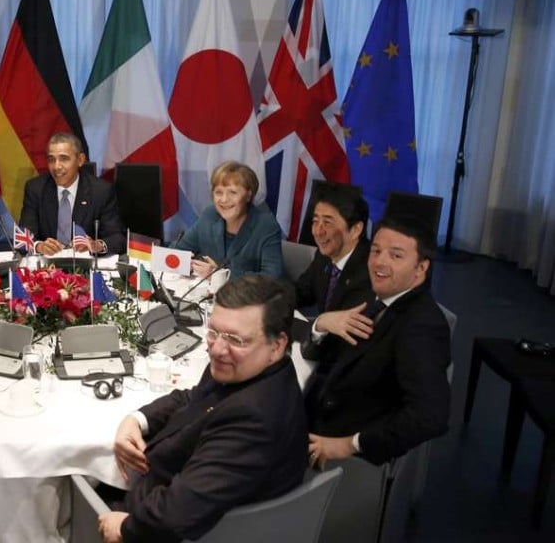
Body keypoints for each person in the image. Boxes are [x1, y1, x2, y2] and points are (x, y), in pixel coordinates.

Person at [101, 275, 307, 543]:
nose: (217, 349)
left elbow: (175, 516)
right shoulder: (249, 369)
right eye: (213, 332)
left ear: (277, 345)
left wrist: (126, 526)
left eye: (236, 339)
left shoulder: (253, 419)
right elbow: (192, 398)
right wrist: (136, 420)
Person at [304, 216, 451, 468]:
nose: (379, 262)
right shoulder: (381, 300)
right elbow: (333, 353)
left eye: (396, 256)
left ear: (421, 268)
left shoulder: (421, 326)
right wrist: (323, 323)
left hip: (339, 451)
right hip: (318, 411)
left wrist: (350, 444)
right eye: (376, 251)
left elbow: (430, 416)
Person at [19, 133, 126, 256]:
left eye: (64, 159)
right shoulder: (35, 189)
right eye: (51, 159)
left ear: (80, 160)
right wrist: (39, 246)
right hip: (48, 267)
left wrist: (97, 245)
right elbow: (23, 237)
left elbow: (118, 238)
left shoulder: (101, 191)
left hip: (85, 266)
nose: (56, 166)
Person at [172, 161, 284, 279]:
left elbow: (271, 278)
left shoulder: (266, 225)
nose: (224, 200)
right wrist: (187, 263)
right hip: (206, 294)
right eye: (219, 192)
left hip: (249, 296)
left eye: (233, 193)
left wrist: (219, 275)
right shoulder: (209, 216)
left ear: (248, 195)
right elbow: (177, 250)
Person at [294, 183, 375, 315]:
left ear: (355, 230)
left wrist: (316, 326)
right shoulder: (324, 256)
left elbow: (345, 324)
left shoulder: (370, 268)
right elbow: (300, 293)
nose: (318, 232)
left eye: (327, 223)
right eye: (315, 221)